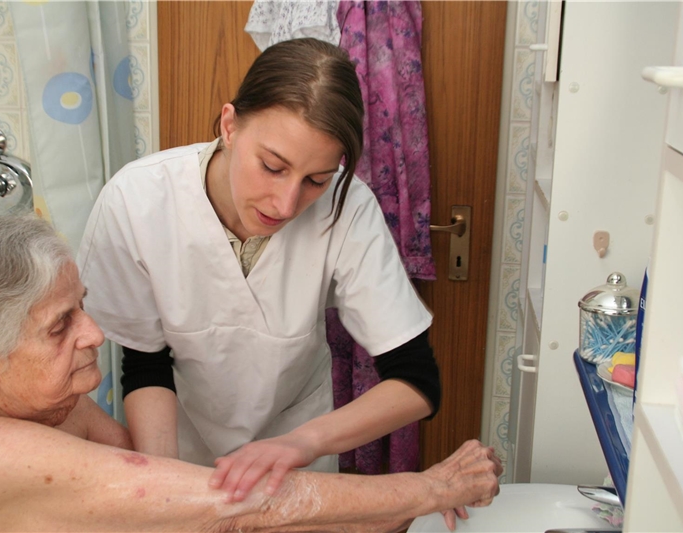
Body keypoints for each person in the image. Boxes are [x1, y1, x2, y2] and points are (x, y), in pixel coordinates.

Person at [0, 215, 502, 532]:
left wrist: (375, 512)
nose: (95, 334)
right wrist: (434, 489)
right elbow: (243, 507)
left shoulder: (46, 402)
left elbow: (168, 506)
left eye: (83, 306)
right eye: (60, 326)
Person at [78, 36, 450, 506]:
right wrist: (165, 491)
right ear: (230, 126)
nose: (287, 203)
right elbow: (146, 366)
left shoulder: (347, 206)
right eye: (272, 167)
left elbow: (417, 382)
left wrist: (303, 443)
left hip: (296, 466)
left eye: (316, 179)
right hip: (183, 455)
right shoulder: (138, 199)